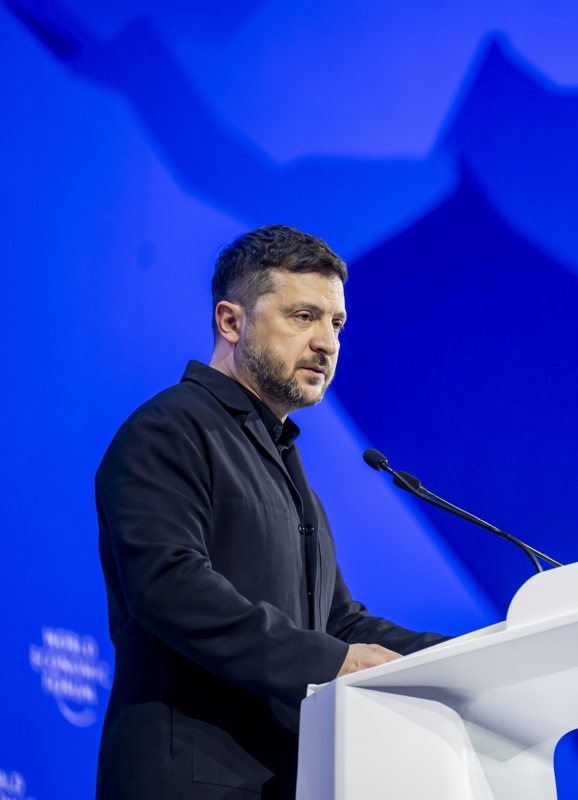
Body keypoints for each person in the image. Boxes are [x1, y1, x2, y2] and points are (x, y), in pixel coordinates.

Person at [94, 225, 448, 798]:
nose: (327, 343)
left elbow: (337, 623)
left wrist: (466, 658)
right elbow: (171, 587)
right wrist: (330, 662)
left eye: (336, 324)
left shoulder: (285, 463)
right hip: (187, 780)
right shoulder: (168, 429)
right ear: (230, 322)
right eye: (303, 317)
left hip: (287, 779)